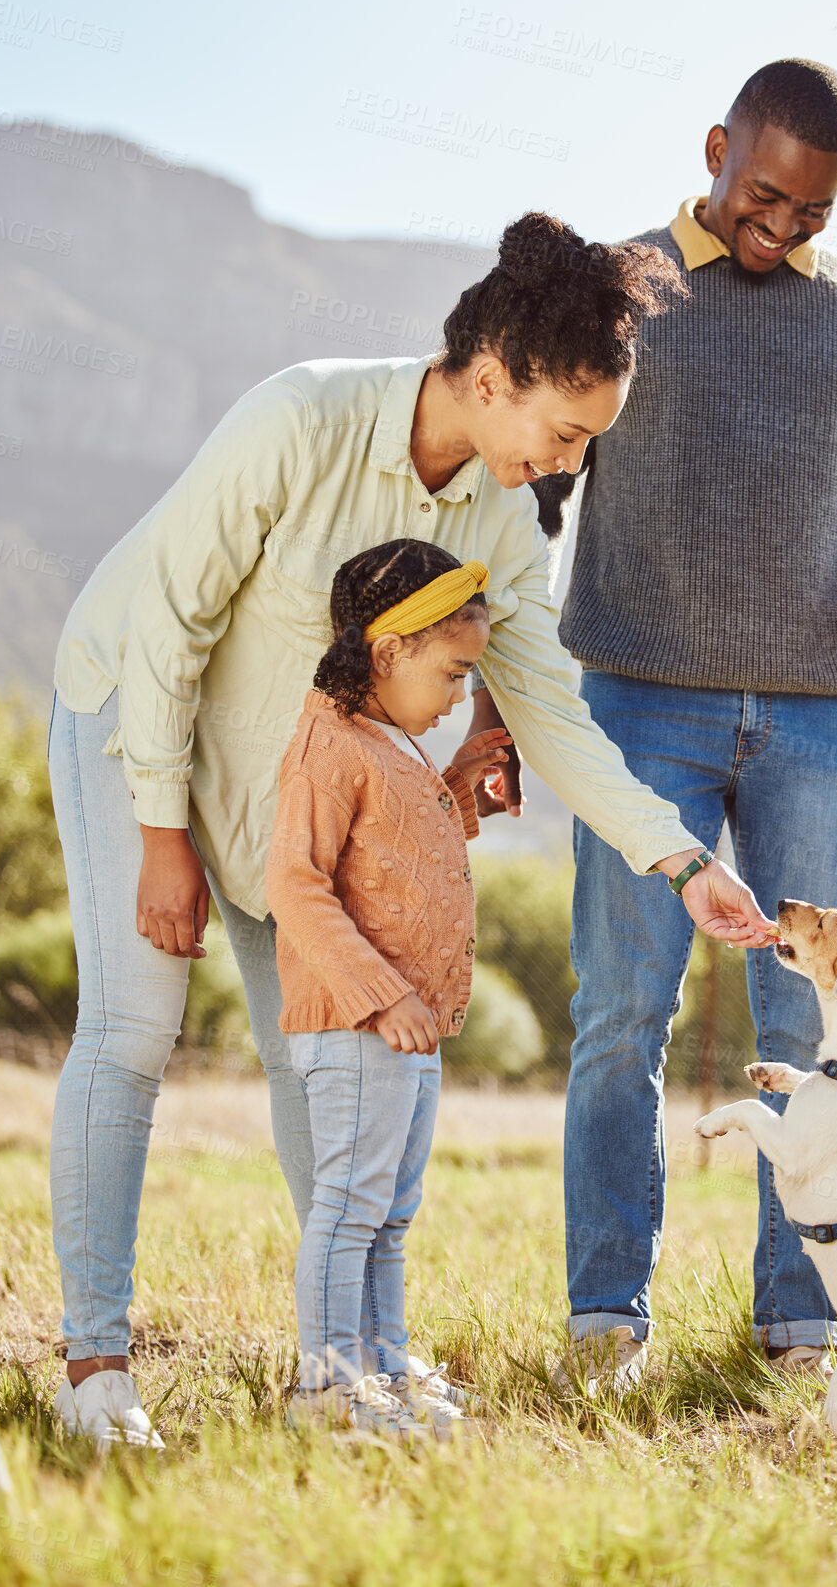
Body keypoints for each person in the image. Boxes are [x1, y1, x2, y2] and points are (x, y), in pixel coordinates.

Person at [47, 211, 776, 1449]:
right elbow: (170, 625)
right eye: (559, 435)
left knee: (322, 1055)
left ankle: (342, 1366)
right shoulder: (303, 420)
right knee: (134, 1027)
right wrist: (163, 831)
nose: (561, 470)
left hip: (301, 794)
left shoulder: (498, 524)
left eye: (583, 449)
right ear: (490, 376)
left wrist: (683, 862)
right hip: (139, 722)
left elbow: (550, 710)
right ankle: (94, 1369)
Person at [473, 60, 837, 1392]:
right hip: (641, 703)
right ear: (716, 148)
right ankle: (607, 1319)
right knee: (623, 1015)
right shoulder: (624, 287)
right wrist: (495, 678)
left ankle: (803, 1322)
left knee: (813, 1022)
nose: (778, 228)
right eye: (761, 195)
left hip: (820, 716)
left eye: (808, 213)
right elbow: (530, 476)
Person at [268, 542, 506, 1440]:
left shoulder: (382, 739)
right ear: (388, 649)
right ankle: (329, 1385)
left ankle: (381, 1366)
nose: (456, 695)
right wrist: (380, 995)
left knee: (389, 1214)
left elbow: (393, 857)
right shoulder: (328, 743)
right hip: (362, 1022)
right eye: (451, 673)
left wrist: (456, 788)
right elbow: (294, 881)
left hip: (407, 1030)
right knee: (350, 1205)